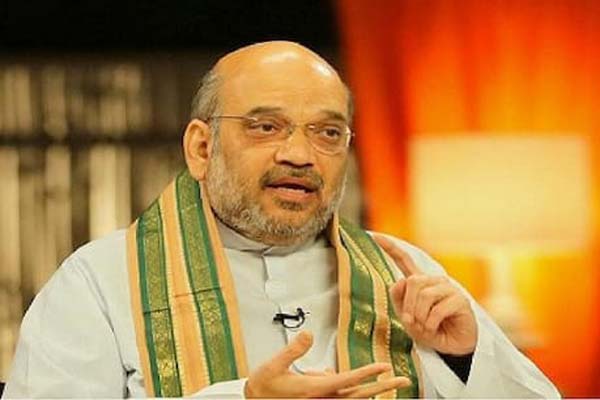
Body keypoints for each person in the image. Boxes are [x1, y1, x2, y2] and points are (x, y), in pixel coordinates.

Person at [3, 41, 560, 399]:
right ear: (201, 148)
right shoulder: (99, 282)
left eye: (327, 132)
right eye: (265, 127)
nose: (299, 154)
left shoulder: (404, 273)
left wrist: (464, 357)